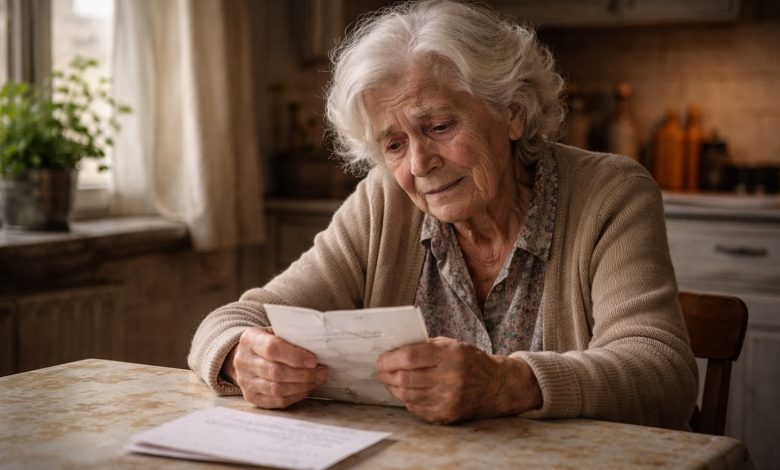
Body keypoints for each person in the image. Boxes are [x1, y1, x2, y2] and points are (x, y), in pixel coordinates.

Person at [188, 0, 698, 429]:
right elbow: (234, 319)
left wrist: (507, 383)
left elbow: (664, 373)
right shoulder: (385, 202)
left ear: (512, 112)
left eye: (438, 126)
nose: (418, 164)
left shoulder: (609, 193)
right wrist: (240, 354)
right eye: (393, 143)